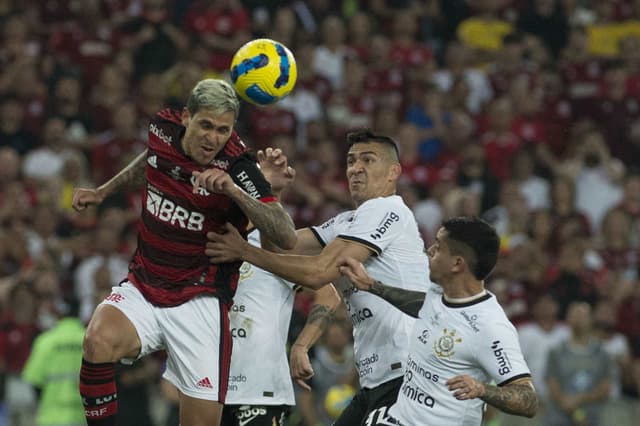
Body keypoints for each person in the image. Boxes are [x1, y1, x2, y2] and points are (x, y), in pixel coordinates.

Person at [71, 78, 297, 426]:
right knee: (97, 341)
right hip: (145, 285)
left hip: (201, 301)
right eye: (205, 125)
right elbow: (152, 161)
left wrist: (236, 193)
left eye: (223, 130)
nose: (213, 138)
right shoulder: (162, 129)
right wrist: (103, 192)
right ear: (186, 117)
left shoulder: (238, 166)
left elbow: (286, 235)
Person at [206, 129, 430, 426]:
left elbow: (318, 273)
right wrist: (272, 193)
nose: (356, 168)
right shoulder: (348, 221)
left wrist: (244, 251)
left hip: (408, 374)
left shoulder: (386, 210)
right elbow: (282, 245)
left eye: (367, 160)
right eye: (351, 161)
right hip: (378, 379)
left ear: (393, 172)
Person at [337, 217, 539, 425]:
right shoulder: (439, 293)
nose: (430, 250)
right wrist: (372, 286)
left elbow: (528, 400)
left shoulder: (490, 326)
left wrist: (483, 390)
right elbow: (424, 305)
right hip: (397, 418)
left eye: (438, 246)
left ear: (457, 263)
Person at [220, 229, 341, 426]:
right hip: (206, 390)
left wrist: (301, 346)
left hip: (260, 394)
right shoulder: (202, 243)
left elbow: (328, 295)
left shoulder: (269, 248)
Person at [22, 297, 86, 426]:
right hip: (83, 417)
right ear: (79, 312)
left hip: (51, 417)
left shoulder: (46, 341)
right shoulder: (90, 340)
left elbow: (34, 379)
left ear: (59, 312)